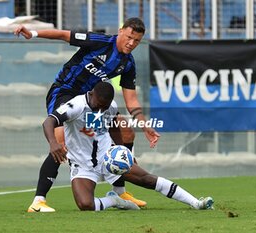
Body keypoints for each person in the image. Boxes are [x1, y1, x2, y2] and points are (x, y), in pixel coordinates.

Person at [14, 17, 160, 212]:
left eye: (137, 41)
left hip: (91, 102)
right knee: (61, 140)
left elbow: (131, 100)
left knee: (126, 133)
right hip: (64, 93)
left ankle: (118, 191)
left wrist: (145, 125)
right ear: (121, 31)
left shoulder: (128, 63)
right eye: (129, 37)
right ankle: (38, 201)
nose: (131, 43)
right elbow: (64, 35)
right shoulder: (100, 42)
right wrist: (33, 33)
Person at [44, 82, 214, 211]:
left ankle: (197, 203)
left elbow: (114, 126)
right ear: (92, 94)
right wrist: (53, 143)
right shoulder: (76, 105)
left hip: (108, 158)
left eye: (105, 106)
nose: (101, 110)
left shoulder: (109, 107)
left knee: (147, 179)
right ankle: (115, 200)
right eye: (98, 105)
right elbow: (49, 121)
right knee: (85, 205)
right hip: (82, 164)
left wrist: (122, 150)